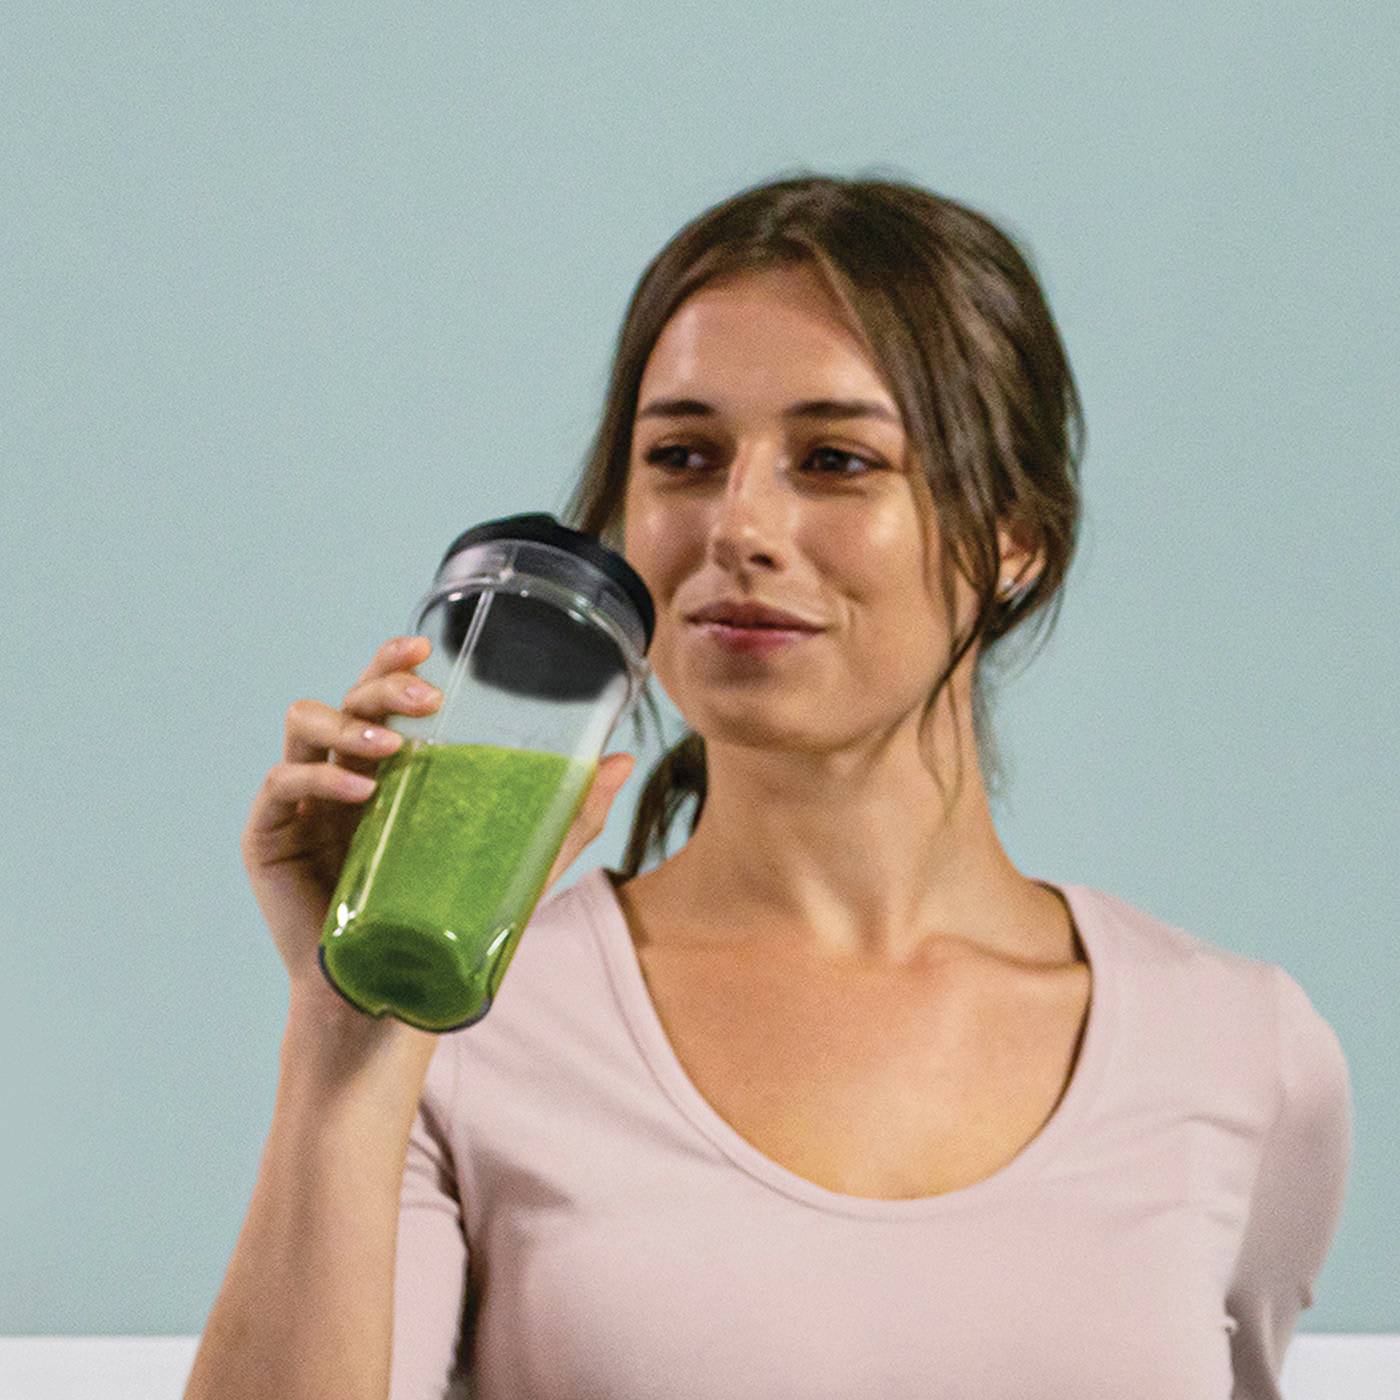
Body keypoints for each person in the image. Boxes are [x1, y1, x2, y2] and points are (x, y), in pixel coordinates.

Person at [185, 174, 1353, 1400]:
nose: (737, 524)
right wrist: (347, 1031)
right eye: (681, 456)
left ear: (1014, 535)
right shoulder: (471, 1027)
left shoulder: (1238, 1053)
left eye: (835, 459)